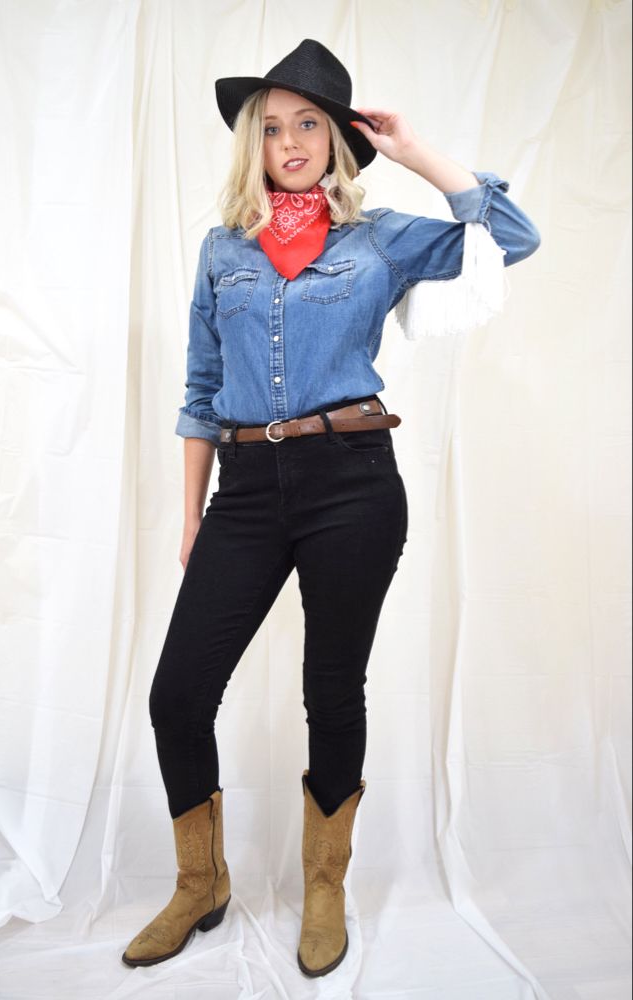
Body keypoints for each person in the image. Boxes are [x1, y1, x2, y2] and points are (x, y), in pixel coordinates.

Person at [122, 38, 540, 977]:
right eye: (272, 127)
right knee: (177, 694)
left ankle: (324, 888)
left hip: (352, 481)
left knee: (329, 688)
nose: (291, 141)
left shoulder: (379, 236)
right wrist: (192, 517)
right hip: (243, 489)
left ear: (340, 137)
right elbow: (200, 386)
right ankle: (201, 885)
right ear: (254, 145)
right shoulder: (222, 249)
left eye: (310, 122)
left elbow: (510, 238)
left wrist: (418, 151)